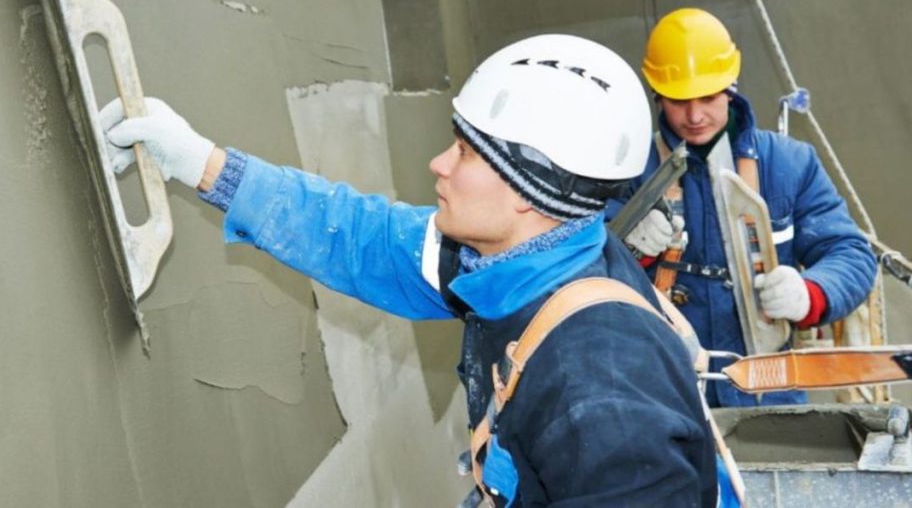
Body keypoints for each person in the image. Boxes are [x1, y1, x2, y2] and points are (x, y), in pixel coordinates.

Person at [101, 35, 718, 505]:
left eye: (466, 153)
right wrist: (202, 164)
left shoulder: (600, 394)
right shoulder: (513, 260)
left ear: (530, 191)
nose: (438, 164)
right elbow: (358, 236)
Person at [614, 8, 877, 407]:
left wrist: (810, 294)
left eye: (708, 97)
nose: (695, 115)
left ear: (730, 88)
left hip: (768, 393)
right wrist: (627, 247)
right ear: (658, 94)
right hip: (662, 396)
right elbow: (581, 271)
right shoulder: (629, 170)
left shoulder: (789, 164)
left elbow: (849, 253)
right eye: (679, 100)